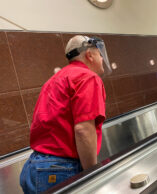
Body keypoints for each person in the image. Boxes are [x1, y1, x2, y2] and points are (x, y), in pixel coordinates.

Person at [20, 35, 112, 193]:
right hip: (60, 170)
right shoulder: (88, 78)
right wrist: (93, 174)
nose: (102, 58)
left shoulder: (54, 80)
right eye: (99, 54)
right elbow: (83, 130)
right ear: (89, 55)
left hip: (33, 168)